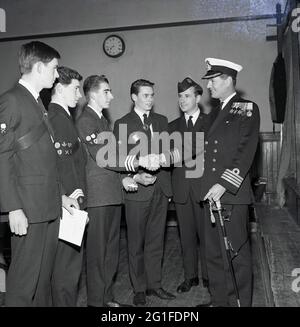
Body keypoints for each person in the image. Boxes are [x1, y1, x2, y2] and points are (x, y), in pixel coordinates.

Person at [0, 41, 78, 306]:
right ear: (39, 66)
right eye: (54, 68)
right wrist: (13, 208)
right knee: (23, 285)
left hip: (47, 206)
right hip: (28, 209)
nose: (57, 75)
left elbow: (46, 161)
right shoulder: (11, 100)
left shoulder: (36, 103)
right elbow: (2, 157)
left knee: (42, 283)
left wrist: (61, 196)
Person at [197, 58, 260, 307]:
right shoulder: (214, 112)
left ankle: (239, 302)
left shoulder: (247, 108)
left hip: (231, 194)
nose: (209, 86)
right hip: (210, 194)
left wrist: (224, 184)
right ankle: (219, 301)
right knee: (213, 254)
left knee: (236, 255)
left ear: (228, 80)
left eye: (213, 81)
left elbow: (245, 151)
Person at [76, 75, 140, 307]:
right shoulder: (86, 121)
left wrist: (125, 178)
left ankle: (106, 298)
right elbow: (103, 157)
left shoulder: (103, 121)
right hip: (98, 197)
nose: (111, 96)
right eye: (107, 91)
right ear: (93, 94)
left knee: (111, 251)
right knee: (97, 254)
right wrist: (135, 162)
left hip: (112, 194)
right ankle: (95, 302)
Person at [114, 79, 175, 306]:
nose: (150, 99)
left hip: (160, 189)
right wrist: (133, 177)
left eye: (152, 95)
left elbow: (168, 153)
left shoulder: (162, 121)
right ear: (134, 97)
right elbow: (117, 159)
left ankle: (154, 285)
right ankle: (138, 288)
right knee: (136, 242)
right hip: (137, 191)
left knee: (156, 241)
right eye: (145, 95)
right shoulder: (122, 123)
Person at [169, 77, 213, 294]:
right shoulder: (171, 126)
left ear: (197, 97)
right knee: (185, 237)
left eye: (187, 96)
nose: (182, 100)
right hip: (181, 190)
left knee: (207, 237)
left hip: (204, 189)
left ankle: (208, 276)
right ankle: (190, 277)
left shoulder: (211, 122)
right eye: (179, 96)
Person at [48, 66, 87, 306]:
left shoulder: (62, 116)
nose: (80, 95)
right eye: (75, 89)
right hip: (69, 202)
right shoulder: (56, 118)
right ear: (60, 88)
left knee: (69, 269)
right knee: (66, 269)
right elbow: (59, 164)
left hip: (71, 199)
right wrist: (70, 197)